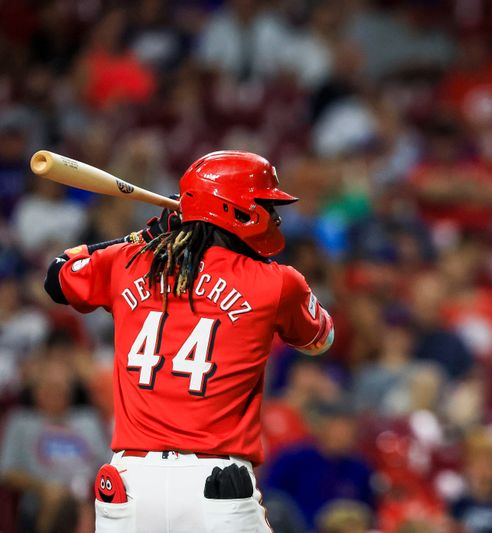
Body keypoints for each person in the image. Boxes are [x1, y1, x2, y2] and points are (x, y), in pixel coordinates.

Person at [43, 151, 334, 532]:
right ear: (238, 211)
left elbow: (57, 276)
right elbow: (319, 340)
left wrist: (137, 239)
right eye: (266, 203)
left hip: (129, 486)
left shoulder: (129, 260)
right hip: (215, 486)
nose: (276, 217)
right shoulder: (277, 282)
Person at [0, 357, 108, 533]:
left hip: (87, 495)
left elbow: (108, 465)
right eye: (49, 388)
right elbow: (6, 472)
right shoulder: (20, 421)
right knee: (59, 505)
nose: (56, 394)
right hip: (40, 498)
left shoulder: (87, 420)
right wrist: (43, 488)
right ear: (35, 391)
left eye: (61, 388)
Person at [264, 399, 374, 528]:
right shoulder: (292, 459)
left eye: (351, 428)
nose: (348, 434)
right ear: (322, 427)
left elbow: (368, 509)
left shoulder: (360, 468)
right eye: (341, 427)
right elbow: (273, 498)